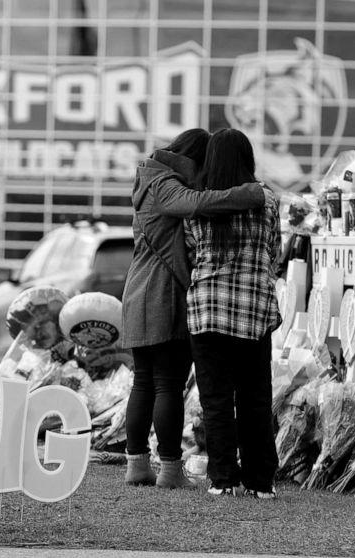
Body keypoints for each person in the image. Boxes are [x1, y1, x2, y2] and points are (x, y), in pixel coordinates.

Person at [121, 129, 266, 488]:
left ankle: (137, 464)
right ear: (194, 159)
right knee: (167, 381)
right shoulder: (165, 184)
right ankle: (169, 469)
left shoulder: (149, 176)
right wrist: (249, 193)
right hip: (163, 293)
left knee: (144, 381)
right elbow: (197, 203)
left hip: (138, 289)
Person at [184, 128, 282, 499]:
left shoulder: (198, 204)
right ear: (247, 159)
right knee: (256, 397)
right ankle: (261, 481)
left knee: (216, 399)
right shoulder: (268, 202)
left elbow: (192, 250)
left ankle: (223, 478)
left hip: (208, 310)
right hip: (254, 311)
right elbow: (275, 252)